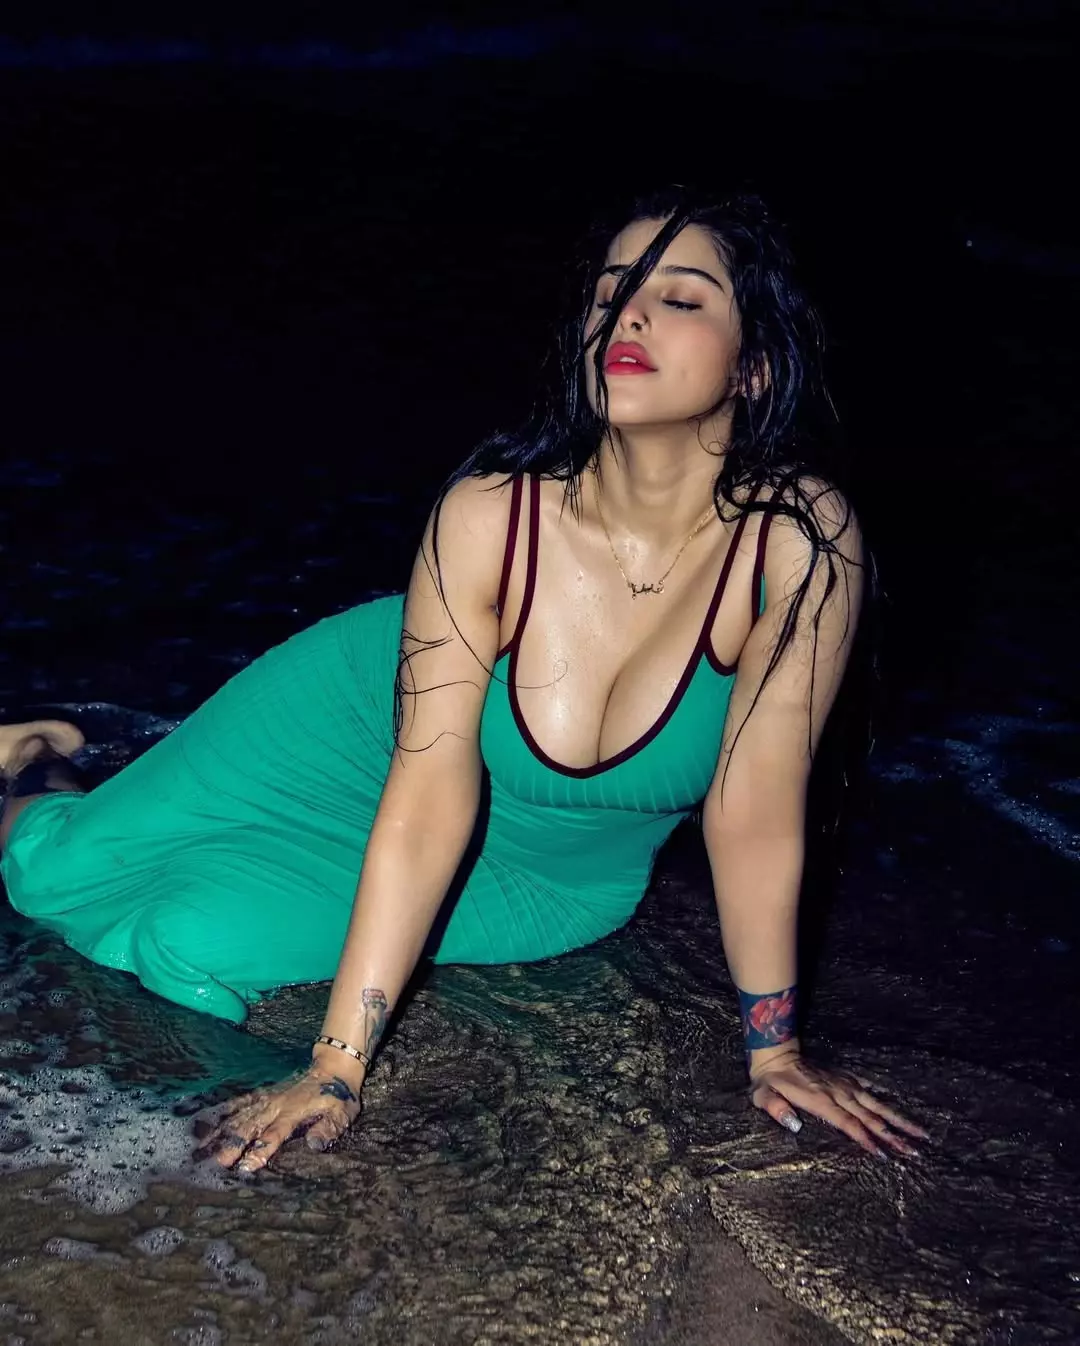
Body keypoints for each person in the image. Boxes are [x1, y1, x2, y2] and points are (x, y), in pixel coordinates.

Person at [0, 188, 927, 1173]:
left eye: (680, 298)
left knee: (183, 936)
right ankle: (30, 758)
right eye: (611, 292)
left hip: (548, 877)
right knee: (53, 871)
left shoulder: (798, 543)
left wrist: (773, 1051)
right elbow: (429, 792)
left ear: (754, 365)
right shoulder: (492, 514)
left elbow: (756, 809)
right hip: (341, 726)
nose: (628, 317)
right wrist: (336, 1067)